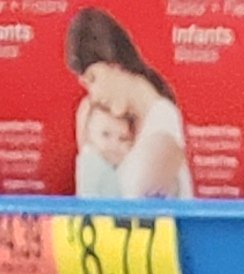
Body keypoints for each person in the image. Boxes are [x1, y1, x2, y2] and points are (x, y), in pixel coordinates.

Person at [62, 11, 185, 196]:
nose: (93, 95)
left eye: (93, 78)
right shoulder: (100, 117)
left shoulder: (163, 123)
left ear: (115, 64)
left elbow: (143, 215)